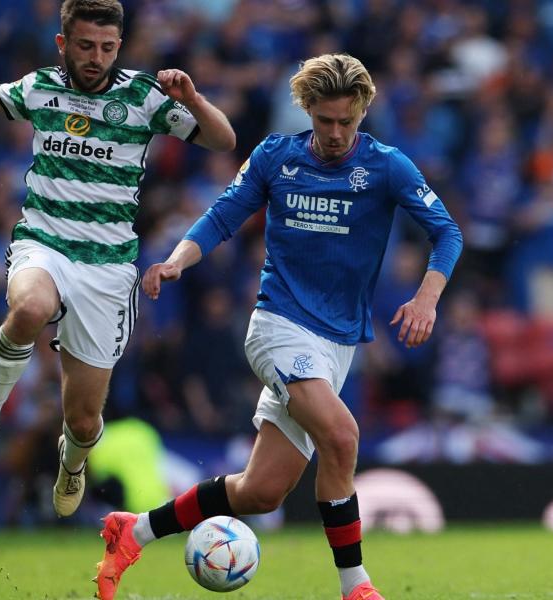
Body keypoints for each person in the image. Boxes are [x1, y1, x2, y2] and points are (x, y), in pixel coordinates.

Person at [94, 54, 463, 600]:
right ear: (307, 111)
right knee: (342, 437)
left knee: (260, 492)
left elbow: (446, 232)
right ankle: (355, 587)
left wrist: (426, 299)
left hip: (337, 345)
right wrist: (175, 261)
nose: (335, 134)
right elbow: (223, 214)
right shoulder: (275, 157)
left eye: (346, 122)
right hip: (278, 326)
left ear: (362, 112)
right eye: (324, 121)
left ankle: (135, 530)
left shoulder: (387, 166)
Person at [0, 0, 235, 518]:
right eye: (86, 46)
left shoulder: (142, 97)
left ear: (119, 46)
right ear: (63, 44)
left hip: (108, 266)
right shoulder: (42, 87)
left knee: (86, 420)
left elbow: (223, 140)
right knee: (27, 309)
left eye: (107, 47)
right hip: (44, 241)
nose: (96, 57)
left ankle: (73, 464)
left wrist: (194, 100)